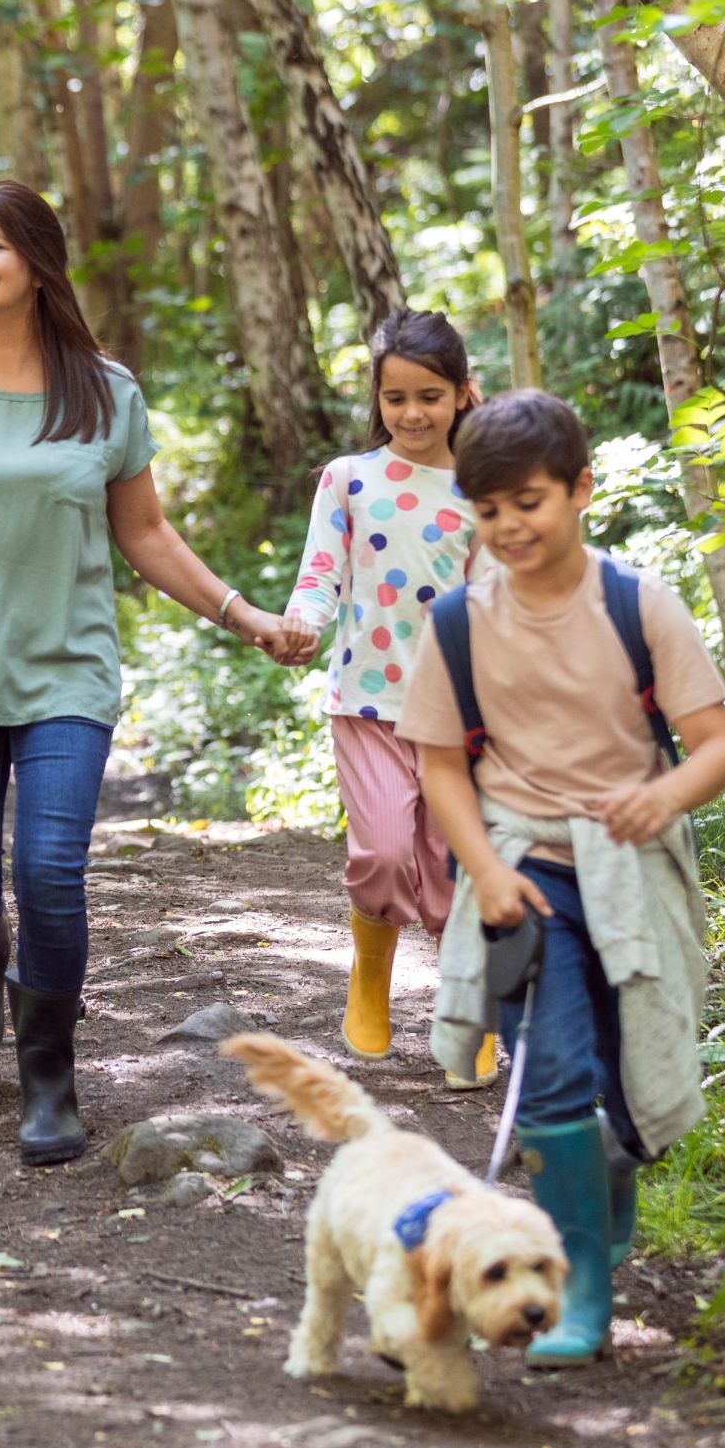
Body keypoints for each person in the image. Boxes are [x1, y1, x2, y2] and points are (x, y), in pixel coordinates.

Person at [0, 180, 299, 1168]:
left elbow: (148, 535)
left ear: (37, 262)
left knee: (49, 872)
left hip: (67, 677)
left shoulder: (105, 393)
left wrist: (243, 614)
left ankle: (48, 1072)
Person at [398, 389, 725, 1366]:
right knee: (549, 1075)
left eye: (530, 502)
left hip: (632, 869)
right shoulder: (458, 624)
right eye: (488, 508)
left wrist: (662, 797)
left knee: (630, 1085)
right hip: (524, 871)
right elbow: (440, 767)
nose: (509, 526)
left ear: (581, 490)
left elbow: (719, 745)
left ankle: (613, 1167)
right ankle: (581, 1286)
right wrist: (485, 871)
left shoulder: (640, 604)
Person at [278, 311, 498, 1090]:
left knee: (452, 869)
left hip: (456, 716)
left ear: (463, 393)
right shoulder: (349, 478)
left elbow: (493, 600)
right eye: (395, 397)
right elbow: (319, 572)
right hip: (366, 702)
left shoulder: (483, 492)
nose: (412, 413)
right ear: (376, 397)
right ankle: (370, 972)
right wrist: (302, 622)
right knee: (382, 854)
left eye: (430, 396)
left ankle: (467, 1012)